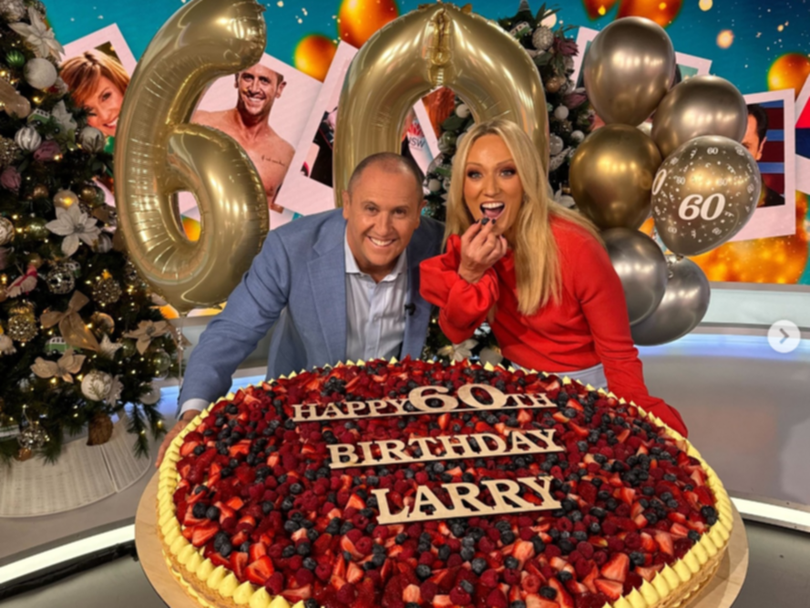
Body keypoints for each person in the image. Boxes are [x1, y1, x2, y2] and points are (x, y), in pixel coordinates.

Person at [156, 152, 444, 465]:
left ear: (419, 212)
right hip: (304, 422)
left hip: (398, 424)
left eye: (399, 212)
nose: (384, 227)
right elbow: (231, 332)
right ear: (347, 204)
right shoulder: (290, 248)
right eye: (370, 208)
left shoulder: (439, 245)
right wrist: (192, 414)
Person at [419, 119, 688, 436]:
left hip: (588, 391)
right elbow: (453, 331)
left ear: (527, 179)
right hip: (520, 389)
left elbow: (618, 356)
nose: (490, 188)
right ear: (463, 186)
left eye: (507, 171)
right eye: (475, 174)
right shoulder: (471, 243)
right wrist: (470, 273)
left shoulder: (577, 247)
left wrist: (647, 427)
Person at [193, 62, 295, 214]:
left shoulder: (286, 155)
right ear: (236, 80)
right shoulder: (200, 122)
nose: (254, 89)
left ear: (279, 89)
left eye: (264, 80)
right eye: (247, 78)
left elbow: (278, 220)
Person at [61, 49, 129, 147]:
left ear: (121, 84)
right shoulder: (106, 157)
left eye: (105, 97)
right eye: (87, 110)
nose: (104, 116)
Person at [742, 104, 784, 208]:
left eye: (745, 147)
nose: (732, 156)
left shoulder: (779, 208)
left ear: (760, 148)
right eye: (727, 144)